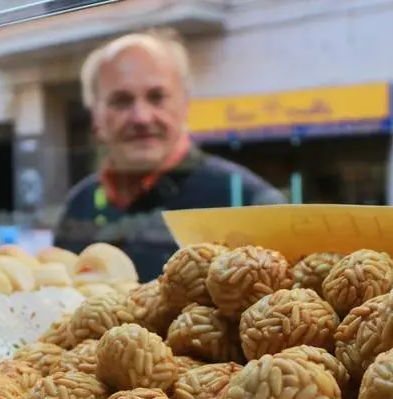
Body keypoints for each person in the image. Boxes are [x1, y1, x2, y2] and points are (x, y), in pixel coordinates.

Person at [54, 29, 286, 282]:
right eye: (121, 101)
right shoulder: (79, 204)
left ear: (185, 105)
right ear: (95, 116)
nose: (141, 117)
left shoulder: (249, 200)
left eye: (157, 97)